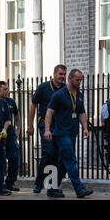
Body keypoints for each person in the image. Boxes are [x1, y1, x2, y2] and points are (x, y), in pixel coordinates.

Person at [44, 69, 93, 198]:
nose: (80, 82)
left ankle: (51, 188)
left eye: (81, 80)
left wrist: (85, 128)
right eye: (77, 80)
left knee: (63, 164)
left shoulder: (80, 95)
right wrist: (47, 129)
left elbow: (81, 113)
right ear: (70, 78)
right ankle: (79, 189)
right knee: (71, 160)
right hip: (61, 133)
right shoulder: (59, 95)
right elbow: (49, 112)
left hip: (72, 133)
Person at [27, 64, 67, 197]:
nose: (62, 77)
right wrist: (30, 125)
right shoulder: (43, 87)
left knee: (56, 156)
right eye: (60, 74)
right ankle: (39, 182)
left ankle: (51, 185)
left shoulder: (66, 89)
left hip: (60, 126)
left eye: (64, 74)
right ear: (54, 74)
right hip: (45, 124)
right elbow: (33, 106)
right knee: (49, 152)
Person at [0, 81, 20, 192]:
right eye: (5, 89)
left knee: (14, 157)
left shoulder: (11, 101)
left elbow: (17, 115)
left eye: (8, 89)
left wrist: (18, 129)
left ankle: (10, 182)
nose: (7, 91)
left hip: (10, 134)